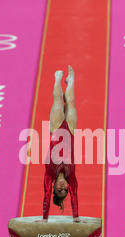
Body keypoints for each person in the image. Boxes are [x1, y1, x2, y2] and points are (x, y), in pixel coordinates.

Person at [40, 66, 81, 223]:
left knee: (58, 100)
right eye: (65, 191)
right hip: (70, 130)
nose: (63, 187)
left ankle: (57, 78)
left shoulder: (49, 176)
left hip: (56, 129)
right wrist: (75, 217)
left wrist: (45, 219)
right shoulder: (71, 177)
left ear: (54, 189)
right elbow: (75, 195)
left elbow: (45, 195)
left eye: (59, 190)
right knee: (70, 101)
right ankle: (70, 80)